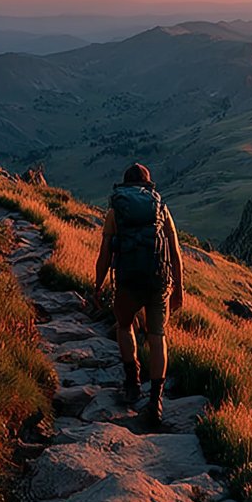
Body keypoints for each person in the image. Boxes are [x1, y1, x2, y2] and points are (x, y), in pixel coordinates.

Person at [93, 163, 184, 424]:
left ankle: (132, 381)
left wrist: (98, 285)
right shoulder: (161, 209)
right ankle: (156, 400)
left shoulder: (115, 212)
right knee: (157, 337)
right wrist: (179, 288)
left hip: (127, 281)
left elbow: (105, 255)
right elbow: (176, 254)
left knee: (124, 326)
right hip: (158, 282)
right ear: (148, 185)